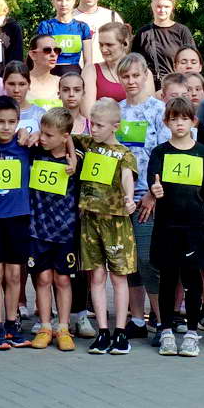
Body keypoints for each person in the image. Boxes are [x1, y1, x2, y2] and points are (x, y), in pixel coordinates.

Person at [148, 97, 204, 357]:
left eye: (184, 118)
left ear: (193, 121)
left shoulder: (203, 153)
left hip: (194, 226)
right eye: (174, 118)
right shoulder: (160, 152)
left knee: (192, 278)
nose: (179, 123)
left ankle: (191, 332)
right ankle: (166, 329)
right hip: (167, 225)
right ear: (166, 122)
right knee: (167, 277)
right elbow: (153, 180)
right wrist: (155, 190)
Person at [72, 99, 138, 354]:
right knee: (96, 276)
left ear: (115, 126)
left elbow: (127, 176)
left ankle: (120, 331)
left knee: (118, 277)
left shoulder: (124, 153)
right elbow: (65, 137)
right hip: (90, 220)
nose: (95, 129)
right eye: (92, 124)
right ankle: (102, 331)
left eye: (100, 125)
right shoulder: (87, 144)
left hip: (116, 221)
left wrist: (129, 197)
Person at [116, 53, 169, 342]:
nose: (131, 81)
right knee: (130, 262)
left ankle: (161, 320)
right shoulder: (117, 111)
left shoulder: (158, 110)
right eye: (126, 76)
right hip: (122, 200)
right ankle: (137, 318)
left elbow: (164, 154)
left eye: (136, 75)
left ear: (146, 75)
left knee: (149, 261)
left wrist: (151, 194)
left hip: (149, 199)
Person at [28, 108, 82, 351]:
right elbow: (23, 136)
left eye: (49, 135)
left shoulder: (75, 160)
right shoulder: (35, 152)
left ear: (64, 136)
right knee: (42, 278)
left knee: (62, 279)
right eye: (42, 132)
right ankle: (44, 326)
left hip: (65, 230)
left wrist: (72, 155)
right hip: (38, 228)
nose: (43, 138)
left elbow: (75, 142)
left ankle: (63, 327)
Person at [0, 96, 33, 350]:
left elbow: (61, 137)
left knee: (14, 275)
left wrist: (30, 134)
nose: (6, 127)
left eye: (12, 122)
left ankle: (13, 324)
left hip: (18, 217)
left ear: (18, 122)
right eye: (0, 122)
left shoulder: (25, 145)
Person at [135, 0, 196, 84]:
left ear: (172, 7)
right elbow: (134, 63)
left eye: (166, 6)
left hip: (178, 85)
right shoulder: (143, 33)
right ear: (152, 6)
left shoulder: (182, 31)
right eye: (158, 6)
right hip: (150, 87)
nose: (162, 10)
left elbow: (192, 63)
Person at [36, 0, 92, 74]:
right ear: (53, 1)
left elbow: (88, 63)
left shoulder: (82, 27)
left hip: (75, 77)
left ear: (74, 0)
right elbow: (40, 58)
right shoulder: (46, 26)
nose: (63, 3)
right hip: (50, 76)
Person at [73, 0, 124, 64]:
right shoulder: (67, 17)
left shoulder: (112, 17)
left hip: (105, 70)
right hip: (74, 70)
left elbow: (123, 48)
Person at [81, 22, 129, 114]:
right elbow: (88, 114)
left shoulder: (142, 72)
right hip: (100, 123)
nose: (103, 49)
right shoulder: (91, 71)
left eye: (109, 45)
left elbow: (150, 111)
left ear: (125, 43)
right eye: (101, 45)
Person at [2, 61, 44, 134]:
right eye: (11, 84)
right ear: (3, 84)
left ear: (29, 85)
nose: (16, 90)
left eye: (22, 84)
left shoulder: (40, 114)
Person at [25, 35, 62, 109]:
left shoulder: (62, 83)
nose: (53, 54)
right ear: (33, 55)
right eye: (47, 50)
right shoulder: (19, 82)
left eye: (56, 50)